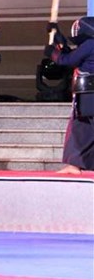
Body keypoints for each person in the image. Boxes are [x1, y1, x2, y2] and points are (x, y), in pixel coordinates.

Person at [45, 16, 94, 174]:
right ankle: (82, 164)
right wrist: (58, 35)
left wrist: (52, 53)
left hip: (88, 95)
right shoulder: (90, 45)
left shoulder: (90, 43)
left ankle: (74, 165)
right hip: (89, 95)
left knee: (79, 129)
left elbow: (68, 60)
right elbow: (74, 55)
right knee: (86, 130)